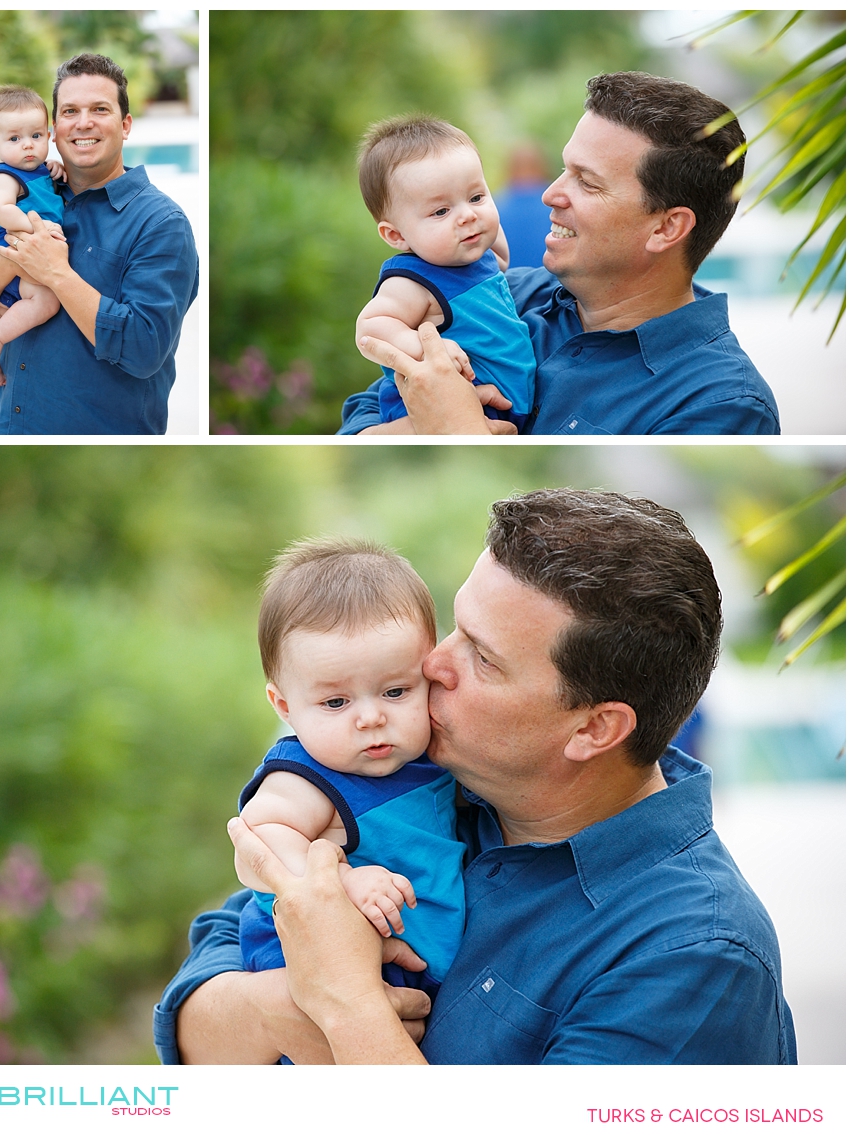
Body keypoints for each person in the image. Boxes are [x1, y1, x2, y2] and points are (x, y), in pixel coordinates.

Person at [154, 488, 796, 1065]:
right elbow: (196, 1020)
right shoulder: (424, 781)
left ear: (593, 729)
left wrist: (346, 1004)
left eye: (482, 657)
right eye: (455, 627)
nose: (433, 663)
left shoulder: (692, 956)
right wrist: (273, 1009)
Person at [341, 72, 780, 436]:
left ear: (666, 227)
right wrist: (405, 429)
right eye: (564, 169)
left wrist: (458, 431)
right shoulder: (506, 293)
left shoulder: (721, 403)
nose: (550, 194)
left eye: (586, 182)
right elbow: (360, 416)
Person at [237, 538, 465, 1020]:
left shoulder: (426, 760)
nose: (370, 718)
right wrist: (342, 879)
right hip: (316, 967)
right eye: (336, 702)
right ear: (285, 706)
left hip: (407, 962)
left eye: (396, 691)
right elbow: (257, 843)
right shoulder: (309, 778)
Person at [0, 53, 198, 435]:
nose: (83, 123)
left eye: (100, 109)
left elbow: (144, 349)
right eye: (69, 111)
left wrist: (57, 274)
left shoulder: (161, 224)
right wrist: (17, 258)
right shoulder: (34, 195)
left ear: (125, 125)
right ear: (55, 128)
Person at [355, 115, 535, 432]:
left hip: (497, 407)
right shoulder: (413, 281)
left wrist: (484, 218)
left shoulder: (474, 259)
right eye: (441, 211)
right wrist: (424, 346)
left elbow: (501, 259)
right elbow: (370, 329)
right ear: (396, 235)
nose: (467, 216)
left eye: (476, 197)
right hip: (441, 407)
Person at [0, 86, 68, 387]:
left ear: (49, 135)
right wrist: (36, 228)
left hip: (24, 246)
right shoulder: (6, 176)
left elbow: (42, 187)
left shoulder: (40, 170)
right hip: (8, 243)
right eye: (14, 139)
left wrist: (54, 167)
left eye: (36, 135)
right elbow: (1, 209)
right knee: (46, 300)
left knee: (0, 309)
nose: (28, 145)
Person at [492, 142, 553, 269]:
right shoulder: (555, 203)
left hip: (508, 279)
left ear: (510, 168)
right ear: (541, 166)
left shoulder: (495, 206)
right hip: (549, 278)